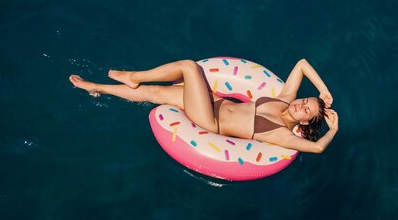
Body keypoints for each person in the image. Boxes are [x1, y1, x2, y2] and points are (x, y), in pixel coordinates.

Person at [69, 58, 338, 153]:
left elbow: (316, 147)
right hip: (214, 102)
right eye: (305, 100)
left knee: (188, 66)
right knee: (154, 93)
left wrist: (333, 129)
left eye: (306, 110)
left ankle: (134, 76)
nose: (300, 104)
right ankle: (97, 87)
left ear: (304, 122)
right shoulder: (283, 100)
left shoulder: (280, 134)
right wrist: (323, 91)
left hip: (209, 121)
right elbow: (302, 64)